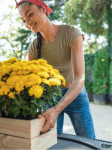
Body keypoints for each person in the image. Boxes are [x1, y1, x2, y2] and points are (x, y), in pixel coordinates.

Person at [15, 0, 96, 139]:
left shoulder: (71, 33)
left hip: (75, 96)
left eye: (30, 15)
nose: (27, 22)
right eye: (23, 20)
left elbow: (79, 78)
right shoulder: (33, 48)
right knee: (50, 143)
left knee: (89, 142)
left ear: (43, 10)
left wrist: (57, 109)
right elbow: (33, 84)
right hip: (49, 99)